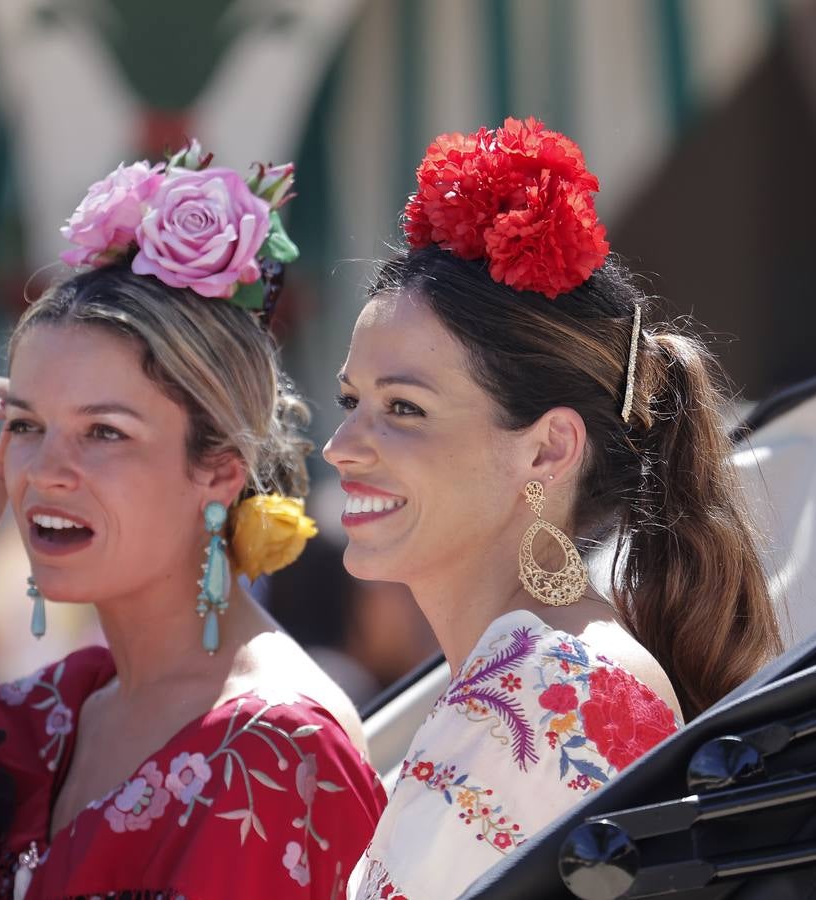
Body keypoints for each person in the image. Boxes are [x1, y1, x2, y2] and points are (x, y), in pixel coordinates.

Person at [0, 143, 385, 898]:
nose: (46, 471)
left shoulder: (273, 750)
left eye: (105, 432)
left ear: (219, 472)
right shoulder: (60, 707)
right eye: (29, 425)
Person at [323, 119, 783, 899]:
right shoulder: (525, 674)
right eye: (350, 400)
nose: (340, 446)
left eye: (402, 408)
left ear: (545, 450)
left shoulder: (559, 686)